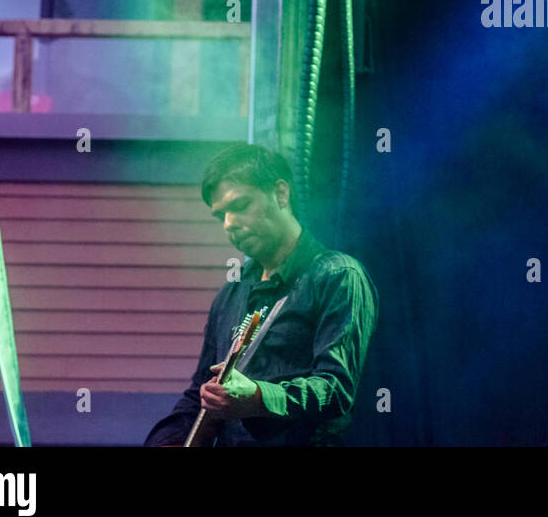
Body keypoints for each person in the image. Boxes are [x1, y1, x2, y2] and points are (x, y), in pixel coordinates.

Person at [144, 143, 377, 446]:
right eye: (220, 216)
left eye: (240, 205)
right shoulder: (232, 293)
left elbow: (335, 389)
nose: (229, 224)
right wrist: (169, 439)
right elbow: (200, 391)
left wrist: (257, 397)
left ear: (281, 194)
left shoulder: (339, 276)